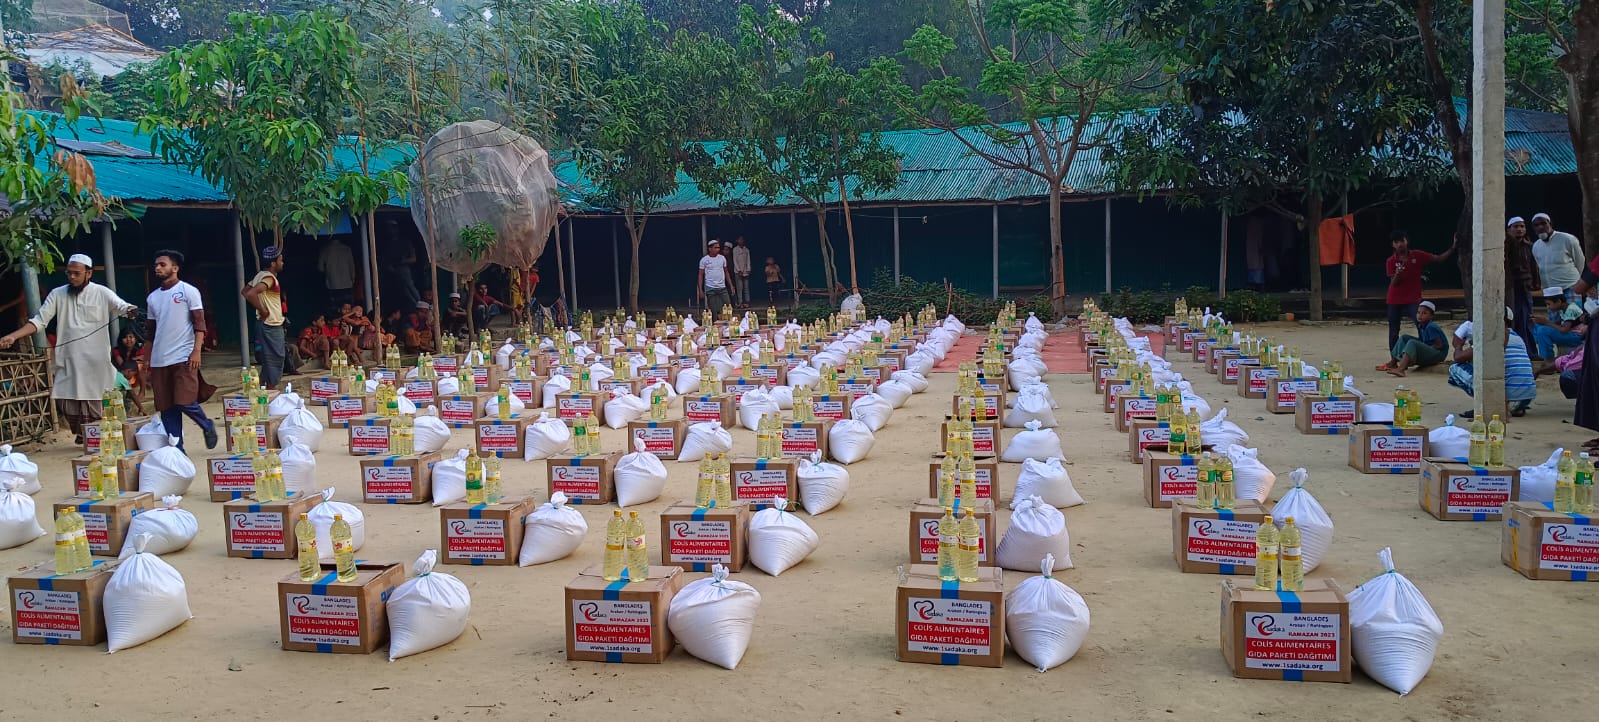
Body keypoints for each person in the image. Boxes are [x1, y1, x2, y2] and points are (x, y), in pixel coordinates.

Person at [0, 253, 138, 443]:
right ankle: (84, 435)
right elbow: (39, 321)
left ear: (88, 273)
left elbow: (121, 306)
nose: (72, 277)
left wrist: (130, 310)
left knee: (95, 401)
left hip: (95, 362)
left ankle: (93, 440)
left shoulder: (102, 292)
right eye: (69, 273)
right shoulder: (57, 294)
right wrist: (13, 336)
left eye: (76, 273)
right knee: (66, 402)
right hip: (69, 359)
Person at [144, 250, 217, 450]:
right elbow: (150, 332)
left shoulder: (188, 291)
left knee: (185, 400)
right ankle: (178, 450)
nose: (158, 268)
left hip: (183, 356)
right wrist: (146, 362)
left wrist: (196, 351)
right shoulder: (152, 298)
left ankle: (207, 424)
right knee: (166, 407)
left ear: (175, 268)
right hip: (159, 359)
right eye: (156, 265)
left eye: (162, 264)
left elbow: (200, 324)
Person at [1448, 307, 1536, 418]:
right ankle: (1516, 408)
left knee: (1455, 368)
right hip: (1526, 397)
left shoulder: (1490, 337)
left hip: (1507, 396)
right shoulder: (1518, 338)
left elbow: (1458, 358)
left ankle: (1486, 405)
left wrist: (1459, 346)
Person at [1383, 230, 1456, 354]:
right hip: (1394, 299)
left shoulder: (1417, 255)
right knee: (1394, 330)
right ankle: (1394, 358)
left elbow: (1438, 259)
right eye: (1396, 242)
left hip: (1413, 298)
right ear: (1393, 245)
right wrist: (1397, 274)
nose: (1400, 244)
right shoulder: (1391, 261)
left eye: (1402, 240)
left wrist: (1453, 248)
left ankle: (1425, 352)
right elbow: (1394, 283)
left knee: (1421, 324)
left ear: (1407, 241)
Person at [242, 246, 288, 388]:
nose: (282, 263)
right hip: (271, 324)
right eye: (280, 260)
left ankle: (264, 388)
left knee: (269, 359)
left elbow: (245, 291)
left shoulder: (259, 276)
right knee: (276, 358)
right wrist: (263, 310)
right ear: (273, 263)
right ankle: (270, 388)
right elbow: (250, 294)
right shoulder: (269, 278)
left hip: (265, 324)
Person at [1378, 300, 1448, 377]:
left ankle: (1401, 369)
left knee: (1412, 342)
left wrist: (1422, 350)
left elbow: (1439, 345)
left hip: (1438, 354)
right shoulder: (1421, 325)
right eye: (1418, 312)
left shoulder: (1431, 327)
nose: (1420, 315)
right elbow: (1422, 340)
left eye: (1424, 313)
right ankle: (1393, 363)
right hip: (1430, 349)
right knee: (1404, 338)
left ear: (1431, 316)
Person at [1505, 217, 1543, 356]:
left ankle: (1530, 352)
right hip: (1510, 288)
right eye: (1516, 226)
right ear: (1509, 229)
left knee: (1527, 319)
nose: (1519, 229)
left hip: (1524, 287)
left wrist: (1535, 283)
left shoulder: (1529, 246)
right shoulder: (1505, 246)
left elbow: (1533, 266)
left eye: (1522, 226)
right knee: (1512, 318)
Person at [1531, 212, 1585, 304]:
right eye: (1536, 225)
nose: (1540, 227)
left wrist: (1576, 281)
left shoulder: (1567, 239)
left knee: (1573, 313)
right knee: (1554, 314)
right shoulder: (1536, 246)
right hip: (1550, 291)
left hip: (1570, 287)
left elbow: (1580, 261)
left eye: (1543, 223)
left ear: (1550, 224)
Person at [1533, 285, 1585, 371]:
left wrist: (1546, 322)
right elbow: (1557, 324)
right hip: (1573, 334)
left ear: (1558, 301)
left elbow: (1564, 330)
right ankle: (1548, 359)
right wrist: (1542, 321)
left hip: (1578, 337)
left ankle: (1549, 360)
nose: (1548, 307)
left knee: (1543, 330)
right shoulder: (1563, 309)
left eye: (1549, 304)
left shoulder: (1571, 309)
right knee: (1539, 328)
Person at [111, 330, 147, 415]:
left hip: (127, 375)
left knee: (140, 366)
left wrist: (135, 361)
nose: (128, 340)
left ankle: (142, 392)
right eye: (125, 337)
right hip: (123, 374)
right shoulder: (117, 351)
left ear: (135, 338)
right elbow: (122, 365)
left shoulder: (139, 349)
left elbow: (144, 360)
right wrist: (141, 408)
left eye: (131, 337)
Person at [316, 237, 357, 308]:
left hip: (332, 284)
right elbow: (352, 266)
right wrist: (353, 280)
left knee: (335, 308)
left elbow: (320, 268)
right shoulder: (347, 249)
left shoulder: (324, 249)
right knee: (348, 308)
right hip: (347, 284)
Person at [697, 239, 734, 311]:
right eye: (715, 247)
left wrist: (731, 286)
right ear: (710, 249)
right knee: (714, 310)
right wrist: (700, 290)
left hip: (722, 287)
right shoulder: (704, 260)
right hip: (711, 288)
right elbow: (700, 275)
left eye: (718, 248)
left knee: (728, 307)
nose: (718, 249)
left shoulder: (722, 258)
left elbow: (726, 272)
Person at [731, 235, 752, 308]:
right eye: (740, 239)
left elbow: (748, 260)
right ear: (737, 241)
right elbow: (735, 260)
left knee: (746, 288)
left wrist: (749, 269)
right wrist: (738, 270)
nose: (741, 241)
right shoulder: (735, 249)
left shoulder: (746, 250)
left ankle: (747, 302)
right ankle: (740, 302)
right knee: (739, 288)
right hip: (738, 271)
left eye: (742, 239)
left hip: (745, 271)